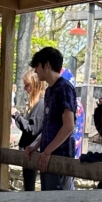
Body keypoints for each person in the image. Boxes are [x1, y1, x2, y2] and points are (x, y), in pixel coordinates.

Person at [28, 47, 76, 192]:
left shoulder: (65, 89)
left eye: (37, 66)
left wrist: (47, 151)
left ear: (47, 65)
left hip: (60, 156)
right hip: (48, 155)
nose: (35, 71)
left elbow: (68, 126)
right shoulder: (49, 91)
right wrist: (36, 146)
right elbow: (50, 126)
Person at [12, 68, 46, 192]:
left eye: (28, 85)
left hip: (33, 150)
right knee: (27, 185)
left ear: (35, 85)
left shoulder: (41, 104)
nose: (26, 89)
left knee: (29, 187)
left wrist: (17, 115)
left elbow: (32, 129)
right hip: (29, 150)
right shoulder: (35, 104)